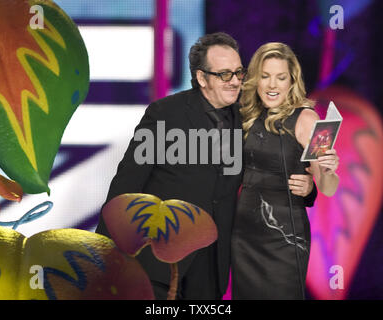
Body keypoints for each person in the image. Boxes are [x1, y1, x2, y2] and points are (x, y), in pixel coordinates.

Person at [95, 33, 316, 300]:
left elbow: (267, 169)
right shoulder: (165, 113)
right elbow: (127, 183)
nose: (235, 81)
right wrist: (105, 254)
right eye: (224, 74)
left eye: (238, 72)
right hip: (160, 263)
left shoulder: (244, 117)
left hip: (212, 267)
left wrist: (309, 189)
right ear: (202, 78)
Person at [231, 42, 340, 300]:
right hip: (244, 236)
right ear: (255, 80)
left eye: (280, 78)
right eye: (265, 77)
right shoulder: (245, 116)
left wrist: (325, 173)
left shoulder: (308, 120)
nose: (272, 85)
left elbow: (328, 187)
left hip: (284, 239)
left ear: (292, 81)